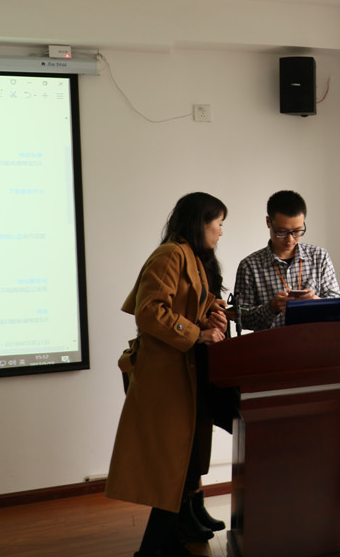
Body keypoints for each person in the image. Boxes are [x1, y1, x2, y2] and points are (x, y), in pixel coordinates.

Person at [106, 192, 230, 557]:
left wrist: (212, 313)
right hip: (165, 378)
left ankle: (167, 543)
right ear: (200, 223)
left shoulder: (190, 256)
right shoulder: (170, 255)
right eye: (218, 224)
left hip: (181, 374)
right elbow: (149, 311)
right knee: (170, 467)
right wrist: (198, 333)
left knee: (180, 465)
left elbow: (184, 304)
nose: (221, 232)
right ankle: (153, 550)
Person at [232, 190, 340, 331]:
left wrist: (316, 301)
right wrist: (271, 308)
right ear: (268, 222)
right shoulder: (249, 266)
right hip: (272, 343)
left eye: (297, 231)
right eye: (282, 232)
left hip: (315, 340)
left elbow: (336, 306)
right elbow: (242, 318)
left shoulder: (319, 256)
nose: (290, 239)